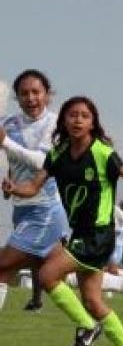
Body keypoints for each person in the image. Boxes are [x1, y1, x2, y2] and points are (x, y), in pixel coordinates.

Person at [4, 96, 123, 346]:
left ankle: (88, 327)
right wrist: (14, 189)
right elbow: (34, 187)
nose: (77, 120)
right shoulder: (57, 154)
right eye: (72, 115)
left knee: (48, 274)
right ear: (63, 121)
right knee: (92, 300)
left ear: (93, 123)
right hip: (80, 234)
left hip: (99, 234)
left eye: (84, 115)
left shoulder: (103, 153)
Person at [0, 70, 69, 315]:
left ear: (47, 95)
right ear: (17, 97)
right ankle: (90, 324)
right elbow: (11, 161)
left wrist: (5, 143)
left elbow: (43, 162)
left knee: (3, 267)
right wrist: (9, 183)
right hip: (22, 207)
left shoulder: (56, 124)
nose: (31, 98)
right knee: (51, 273)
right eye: (24, 93)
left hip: (46, 209)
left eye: (36, 92)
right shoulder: (8, 124)